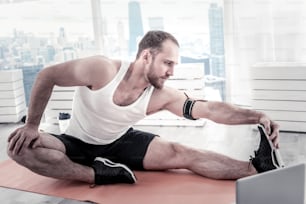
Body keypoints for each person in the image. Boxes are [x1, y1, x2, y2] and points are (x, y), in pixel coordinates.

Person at [7, 30, 281, 186]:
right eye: (168, 63)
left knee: (182, 152)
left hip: (120, 143)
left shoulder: (161, 95)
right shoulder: (102, 70)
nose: (172, 72)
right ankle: (101, 173)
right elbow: (47, 76)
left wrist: (256, 116)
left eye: (175, 65)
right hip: (73, 141)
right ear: (146, 56)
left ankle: (255, 168)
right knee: (18, 148)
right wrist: (32, 125)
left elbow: (210, 110)